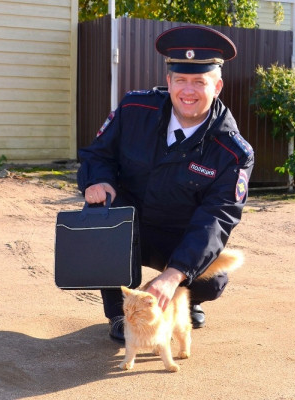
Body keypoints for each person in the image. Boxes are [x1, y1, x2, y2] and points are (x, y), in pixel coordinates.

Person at [77, 25, 254, 342]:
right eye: (181, 80)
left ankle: (185, 301)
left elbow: (217, 218)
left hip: (180, 236)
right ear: (169, 81)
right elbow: (97, 154)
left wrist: (175, 275)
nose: (189, 91)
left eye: (200, 82)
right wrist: (98, 181)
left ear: (217, 87)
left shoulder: (232, 152)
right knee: (105, 216)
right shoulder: (134, 110)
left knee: (212, 279)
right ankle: (120, 313)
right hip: (132, 228)